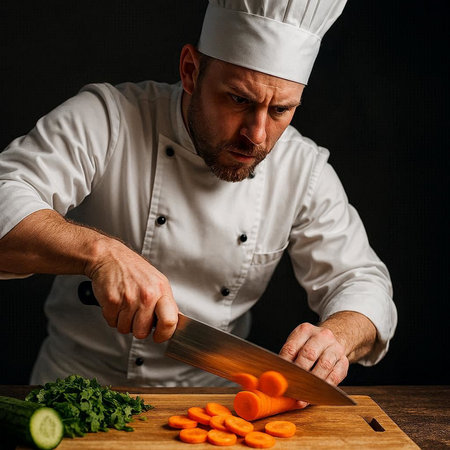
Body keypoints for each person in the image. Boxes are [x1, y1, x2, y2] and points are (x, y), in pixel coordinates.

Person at [0, 0, 397, 390]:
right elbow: (7, 194)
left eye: (280, 110)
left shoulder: (301, 167)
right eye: (239, 100)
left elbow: (361, 279)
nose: (256, 136)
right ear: (191, 71)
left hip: (211, 404)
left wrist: (336, 338)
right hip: (74, 389)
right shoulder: (109, 119)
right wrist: (99, 253)